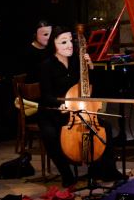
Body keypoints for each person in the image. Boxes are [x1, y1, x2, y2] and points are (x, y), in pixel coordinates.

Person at [37, 26, 125, 188]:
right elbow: (46, 96)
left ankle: (106, 170)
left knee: (105, 127)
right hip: (53, 112)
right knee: (50, 134)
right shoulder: (46, 65)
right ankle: (67, 175)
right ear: (53, 44)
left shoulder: (77, 62)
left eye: (71, 41)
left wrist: (90, 67)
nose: (69, 45)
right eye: (64, 42)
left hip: (77, 111)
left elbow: (92, 88)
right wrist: (61, 104)